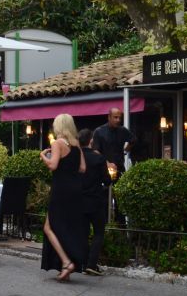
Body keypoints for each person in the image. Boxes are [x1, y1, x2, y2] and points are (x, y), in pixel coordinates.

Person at [40, 114, 88, 282]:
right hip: (75, 190)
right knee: (67, 226)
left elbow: (53, 165)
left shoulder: (57, 144)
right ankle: (65, 266)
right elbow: (82, 168)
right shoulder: (76, 145)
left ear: (58, 126)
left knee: (49, 227)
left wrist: (43, 156)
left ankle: (67, 262)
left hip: (61, 189)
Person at [77, 128, 111, 276]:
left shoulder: (76, 157)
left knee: (83, 233)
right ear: (91, 141)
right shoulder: (99, 158)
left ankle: (84, 264)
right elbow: (107, 180)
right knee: (98, 233)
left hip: (80, 200)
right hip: (96, 200)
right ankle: (91, 264)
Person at [92, 108, 134, 176]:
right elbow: (95, 150)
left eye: (120, 118)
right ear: (109, 117)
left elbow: (133, 140)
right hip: (104, 168)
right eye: (115, 117)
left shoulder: (122, 130)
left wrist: (126, 149)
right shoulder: (99, 131)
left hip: (119, 167)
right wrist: (107, 163)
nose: (118, 120)